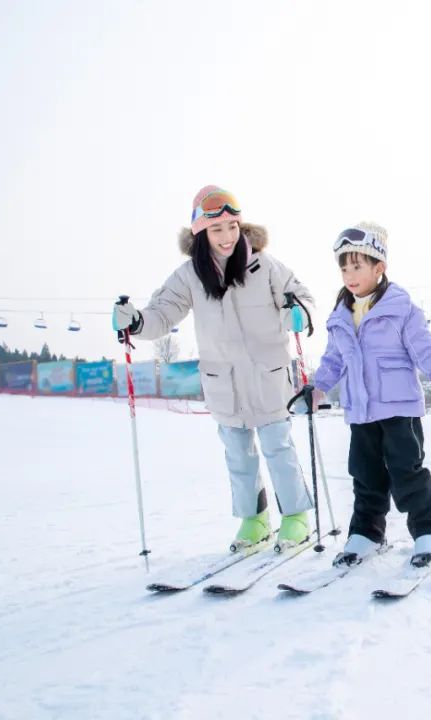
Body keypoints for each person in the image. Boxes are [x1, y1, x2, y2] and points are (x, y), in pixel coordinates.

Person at [112, 185, 316, 551]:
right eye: (216, 229)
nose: (226, 237)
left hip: (267, 377)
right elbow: (162, 314)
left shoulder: (263, 265)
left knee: (278, 448)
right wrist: (137, 321)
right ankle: (254, 520)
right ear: (200, 233)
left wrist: (298, 311)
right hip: (225, 384)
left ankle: (295, 517)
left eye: (232, 227)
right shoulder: (190, 275)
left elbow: (301, 296)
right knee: (238, 455)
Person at [302, 222, 431, 569]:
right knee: (365, 475)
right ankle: (367, 533)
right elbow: (333, 360)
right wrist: (318, 387)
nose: (350, 275)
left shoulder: (401, 309)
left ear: (379, 268)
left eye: (357, 266)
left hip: (399, 408)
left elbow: (423, 347)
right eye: (344, 269)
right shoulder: (340, 315)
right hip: (360, 410)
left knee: (407, 472)